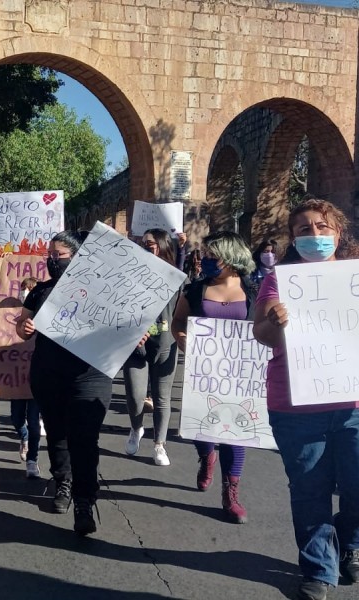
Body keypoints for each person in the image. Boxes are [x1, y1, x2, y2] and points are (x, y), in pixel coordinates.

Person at [254, 199, 359, 600]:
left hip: (353, 405)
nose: (314, 235)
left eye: (322, 227)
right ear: (293, 239)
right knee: (310, 489)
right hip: (295, 406)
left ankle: (349, 539)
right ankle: (319, 569)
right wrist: (274, 322)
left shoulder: (354, 277)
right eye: (303, 230)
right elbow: (260, 333)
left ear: (337, 232)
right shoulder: (280, 281)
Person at [16, 230, 111, 536]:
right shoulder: (40, 291)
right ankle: (63, 484)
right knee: (56, 434)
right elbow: (21, 325)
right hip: (49, 373)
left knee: (84, 439)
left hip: (89, 376)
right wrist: (25, 327)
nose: (53, 260)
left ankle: (84, 500)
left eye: (60, 255)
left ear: (78, 256)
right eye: (51, 255)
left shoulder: (102, 290)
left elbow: (121, 325)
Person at [171, 231, 256, 525]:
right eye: (205, 254)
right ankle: (207, 456)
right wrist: (180, 335)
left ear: (232, 257)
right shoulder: (195, 290)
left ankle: (231, 493)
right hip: (203, 373)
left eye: (212, 255)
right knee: (201, 429)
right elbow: (178, 320)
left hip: (241, 374)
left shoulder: (254, 291)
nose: (205, 260)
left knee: (236, 431)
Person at [123, 229, 184, 466]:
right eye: (142, 243)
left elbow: (183, 312)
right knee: (136, 396)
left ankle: (159, 444)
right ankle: (136, 428)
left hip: (165, 344)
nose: (145, 246)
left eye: (150, 243)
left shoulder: (177, 278)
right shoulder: (130, 276)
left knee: (162, 398)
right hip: (135, 345)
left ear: (162, 245)